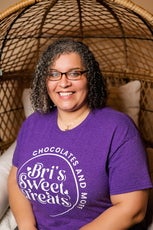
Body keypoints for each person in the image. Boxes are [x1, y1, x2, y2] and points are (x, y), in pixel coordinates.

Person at [8, 38, 152, 230]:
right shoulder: (33, 123)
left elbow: (132, 209)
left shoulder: (118, 128)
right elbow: (15, 181)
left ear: (89, 77)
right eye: (54, 74)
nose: (64, 83)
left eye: (74, 73)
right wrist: (27, 227)